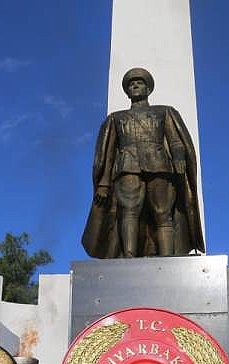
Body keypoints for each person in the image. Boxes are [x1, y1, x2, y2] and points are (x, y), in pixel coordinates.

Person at [82, 67, 204, 258]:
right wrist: (104, 183)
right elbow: (108, 153)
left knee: (163, 213)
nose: (135, 86)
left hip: (160, 166)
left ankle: (167, 257)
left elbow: (175, 141)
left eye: (139, 83)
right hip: (127, 167)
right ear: (127, 91)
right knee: (129, 211)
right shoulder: (116, 118)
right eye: (131, 84)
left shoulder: (165, 112)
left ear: (148, 89)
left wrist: (179, 157)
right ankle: (129, 257)